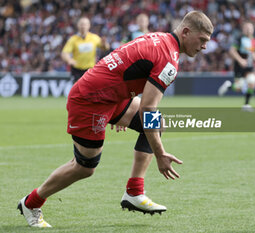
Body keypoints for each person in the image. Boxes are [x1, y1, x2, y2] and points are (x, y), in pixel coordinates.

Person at [17, 11, 213, 228]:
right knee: (85, 167)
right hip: (91, 101)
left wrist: (125, 102)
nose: (204, 46)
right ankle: (31, 202)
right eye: (202, 40)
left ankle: (134, 193)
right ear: (186, 32)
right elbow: (148, 108)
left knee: (158, 123)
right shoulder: (169, 59)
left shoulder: (159, 38)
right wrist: (160, 154)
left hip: (109, 95)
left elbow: (129, 69)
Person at [218, 21, 255, 111]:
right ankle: (229, 86)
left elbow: (252, 52)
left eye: (251, 28)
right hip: (239, 66)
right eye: (247, 28)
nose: (249, 30)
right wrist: (240, 60)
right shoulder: (239, 38)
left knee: (252, 81)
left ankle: (246, 105)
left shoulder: (254, 40)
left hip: (249, 65)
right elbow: (232, 51)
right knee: (239, 87)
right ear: (243, 29)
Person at [61, 17, 110, 83]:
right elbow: (65, 53)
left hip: (89, 69)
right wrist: (69, 60)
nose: (83, 26)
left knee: (90, 90)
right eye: (81, 24)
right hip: (77, 70)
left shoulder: (94, 37)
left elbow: (105, 48)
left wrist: (104, 44)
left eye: (85, 24)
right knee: (77, 90)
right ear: (78, 25)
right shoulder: (73, 39)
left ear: (89, 26)